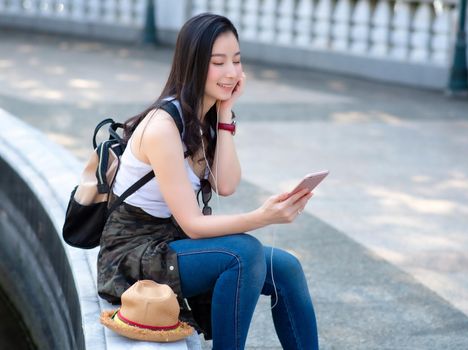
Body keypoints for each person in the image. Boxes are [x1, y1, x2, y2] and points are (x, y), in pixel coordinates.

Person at [97, 13, 319, 350]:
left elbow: (226, 185)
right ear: (194, 64)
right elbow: (194, 224)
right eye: (218, 62)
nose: (231, 72)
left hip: (170, 242)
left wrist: (226, 112)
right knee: (243, 252)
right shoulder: (162, 127)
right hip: (132, 254)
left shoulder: (205, 116)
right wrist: (264, 217)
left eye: (237, 60)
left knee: (285, 268)